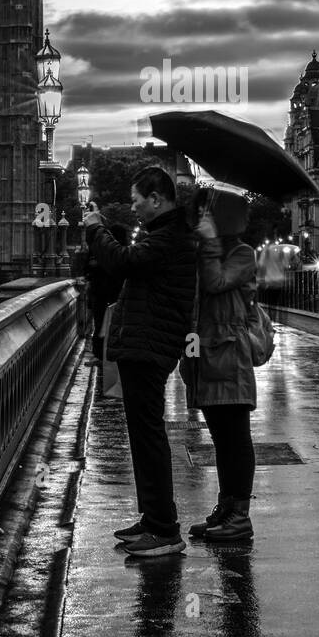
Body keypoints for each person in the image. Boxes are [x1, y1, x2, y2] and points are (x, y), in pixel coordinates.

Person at [84, 165, 196, 558]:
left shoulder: (170, 239)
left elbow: (122, 262)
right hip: (145, 346)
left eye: (136, 201)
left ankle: (164, 529)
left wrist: (96, 228)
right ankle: (153, 519)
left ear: (156, 199)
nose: (134, 208)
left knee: (149, 436)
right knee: (144, 435)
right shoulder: (165, 236)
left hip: (150, 349)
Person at [181, 185, 257, 542]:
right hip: (205, 355)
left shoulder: (243, 254)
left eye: (206, 214)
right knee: (221, 440)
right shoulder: (203, 251)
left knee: (236, 438)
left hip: (229, 355)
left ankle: (240, 515)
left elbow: (215, 283)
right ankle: (226, 507)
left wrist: (208, 244)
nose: (201, 220)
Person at [86, 222, 129, 362]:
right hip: (114, 295)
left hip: (101, 294)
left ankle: (100, 354)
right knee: (111, 327)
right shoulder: (122, 253)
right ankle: (108, 356)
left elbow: (89, 269)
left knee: (100, 325)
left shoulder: (104, 253)